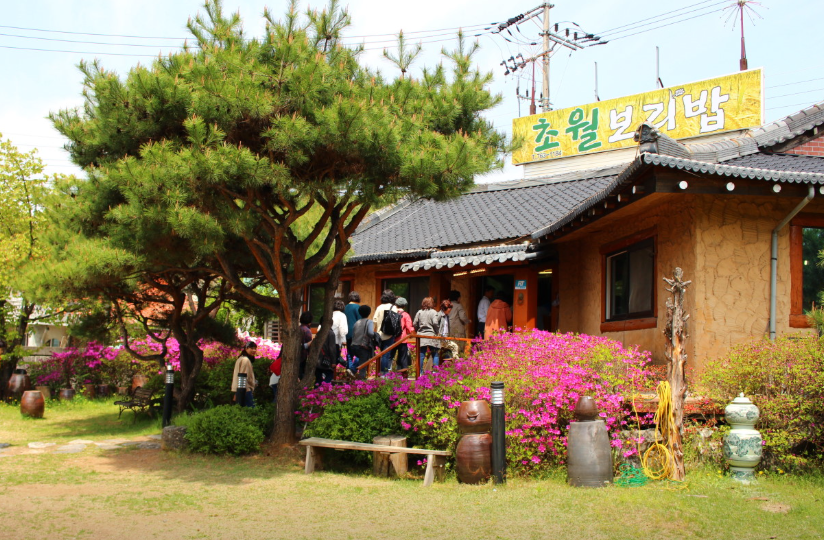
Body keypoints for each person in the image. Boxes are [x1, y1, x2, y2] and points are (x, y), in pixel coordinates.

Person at [373, 289, 398, 375]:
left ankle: (381, 373)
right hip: (389, 334)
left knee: (382, 354)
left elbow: (374, 320)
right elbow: (396, 322)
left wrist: (374, 332)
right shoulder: (393, 307)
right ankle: (384, 373)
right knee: (386, 355)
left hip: (379, 335)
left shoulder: (379, 307)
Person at [350, 304, 379, 379]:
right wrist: (375, 335)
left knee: (360, 359)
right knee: (363, 365)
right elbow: (370, 333)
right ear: (369, 313)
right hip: (363, 346)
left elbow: (353, 334)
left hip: (354, 346)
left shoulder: (357, 322)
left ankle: (352, 370)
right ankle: (361, 380)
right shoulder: (369, 322)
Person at [413, 297, 442, 371]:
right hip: (432, 335)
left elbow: (415, 323)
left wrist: (417, 330)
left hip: (421, 335)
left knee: (421, 354)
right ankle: (435, 372)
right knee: (435, 354)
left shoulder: (419, 312)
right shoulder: (433, 312)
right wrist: (437, 331)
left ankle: (419, 372)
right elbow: (435, 323)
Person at [231, 341, 257, 407]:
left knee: (242, 409)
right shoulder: (245, 360)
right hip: (245, 389)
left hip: (241, 389)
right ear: (246, 348)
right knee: (251, 409)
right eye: (251, 348)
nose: (254, 350)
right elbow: (243, 376)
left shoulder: (241, 358)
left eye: (255, 348)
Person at [314, 320, 339, 387]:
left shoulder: (319, 332)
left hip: (318, 360)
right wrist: (333, 362)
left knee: (318, 379)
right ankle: (323, 390)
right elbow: (332, 348)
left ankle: (316, 391)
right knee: (329, 376)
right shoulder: (330, 333)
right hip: (326, 360)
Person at [394, 297, 415, 372]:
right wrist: (413, 334)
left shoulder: (393, 313)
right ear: (404, 306)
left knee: (390, 357)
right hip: (402, 339)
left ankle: (386, 373)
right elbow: (409, 327)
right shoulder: (406, 315)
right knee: (403, 357)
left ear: (396, 305)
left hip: (392, 338)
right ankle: (403, 374)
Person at [448, 290, 470, 357]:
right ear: (458, 298)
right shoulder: (458, 306)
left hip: (448, 330)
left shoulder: (447, 305)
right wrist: (468, 321)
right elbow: (462, 317)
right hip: (457, 331)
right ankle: (458, 362)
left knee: (450, 349)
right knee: (459, 348)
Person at [343, 291, 362, 367]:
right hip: (356, 333)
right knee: (359, 352)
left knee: (349, 352)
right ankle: (354, 369)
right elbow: (360, 321)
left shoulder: (345, 307)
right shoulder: (358, 307)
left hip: (347, 332)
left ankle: (349, 368)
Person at [299, 311, 313, 379]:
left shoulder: (298, 328)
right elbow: (309, 345)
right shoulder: (307, 331)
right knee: (301, 374)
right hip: (302, 356)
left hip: (295, 356)